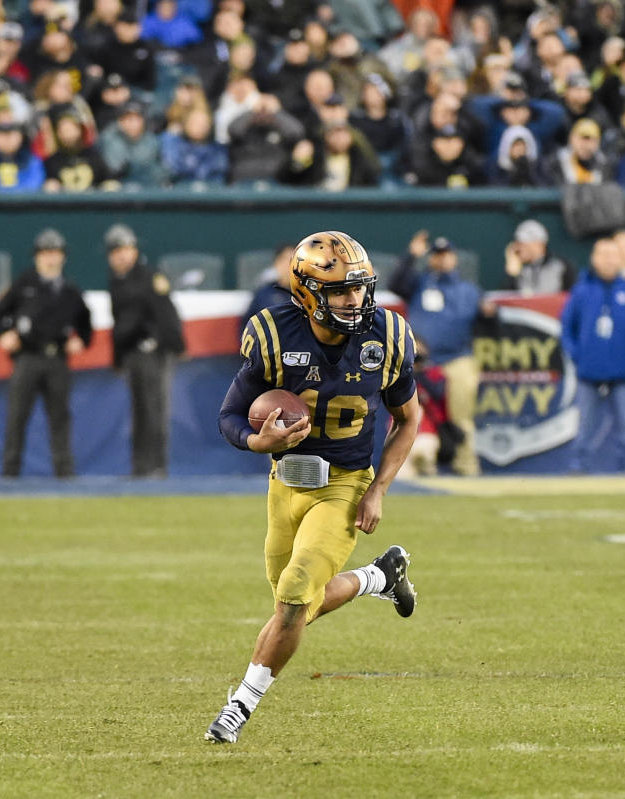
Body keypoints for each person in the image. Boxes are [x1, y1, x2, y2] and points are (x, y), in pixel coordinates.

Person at [207, 230, 421, 744]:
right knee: (297, 602)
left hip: (344, 485)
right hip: (286, 483)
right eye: (341, 292)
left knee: (295, 597)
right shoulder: (274, 334)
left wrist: (378, 489)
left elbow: (408, 420)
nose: (355, 301)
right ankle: (378, 578)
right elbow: (231, 415)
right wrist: (259, 443)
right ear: (307, 293)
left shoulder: (386, 337)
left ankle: (240, 705)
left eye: (360, 289)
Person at [0, 228, 93, 478]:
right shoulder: (24, 283)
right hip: (28, 357)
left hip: (57, 359)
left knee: (60, 417)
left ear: (63, 257)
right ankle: (10, 472)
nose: (50, 258)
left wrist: (82, 341)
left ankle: (64, 472)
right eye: (45, 253)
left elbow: (86, 322)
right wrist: (4, 333)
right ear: (37, 257)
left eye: (54, 253)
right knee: (17, 416)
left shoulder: (69, 289)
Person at [389, 231, 490, 476]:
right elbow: (395, 283)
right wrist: (411, 255)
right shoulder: (421, 284)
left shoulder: (468, 290)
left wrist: (492, 314)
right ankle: (411, 467)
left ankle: (466, 465)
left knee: (461, 416)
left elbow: (489, 324)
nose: (442, 260)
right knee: (411, 416)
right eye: (437, 255)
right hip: (422, 364)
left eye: (446, 255)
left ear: (454, 258)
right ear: (431, 258)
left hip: (457, 359)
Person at [559, 237, 625, 473]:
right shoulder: (582, 291)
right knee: (585, 424)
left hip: (623, 372)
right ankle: (578, 465)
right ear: (594, 258)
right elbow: (567, 327)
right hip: (589, 371)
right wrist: (577, 355)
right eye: (604, 255)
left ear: (622, 259)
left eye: (614, 255)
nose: (609, 260)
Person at [106, 224, 185, 478]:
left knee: (155, 410)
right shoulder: (116, 282)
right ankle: (139, 467)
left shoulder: (149, 277)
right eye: (116, 251)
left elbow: (166, 313)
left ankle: (157, 467)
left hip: (153, 352)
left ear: (134, 250)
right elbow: (119, 324)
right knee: (139, 412)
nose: (122, 255)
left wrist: (176, 345)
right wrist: (118, 357)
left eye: (126, 249)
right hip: (132, 354)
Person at [502, 219, 576, 295]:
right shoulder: (518, 268)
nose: (519, 248)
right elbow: (507, 299)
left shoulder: (561, 265)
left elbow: (572, 296)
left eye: (524, 244)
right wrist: (512, 273)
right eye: (518, 244)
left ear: (539, 244)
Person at [242, 242, 295, 325]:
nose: (289, 265)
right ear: (276, 263)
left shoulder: (308, 294)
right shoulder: (264, 294)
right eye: (285, 260)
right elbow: (248, 325)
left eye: (293, 260)